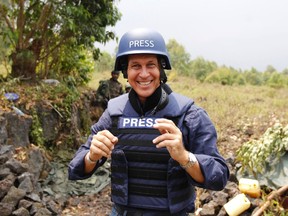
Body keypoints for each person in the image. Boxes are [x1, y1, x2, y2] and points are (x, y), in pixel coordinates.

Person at [68, 28, 229, 215]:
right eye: (135, 66)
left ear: (161, 69)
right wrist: (92, 156)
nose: (144, 74)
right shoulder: (114, 113)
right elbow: (75, 169)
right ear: (126, 72)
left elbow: (219, 176)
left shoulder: (189, 114)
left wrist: (184, 157)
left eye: (151, 65)